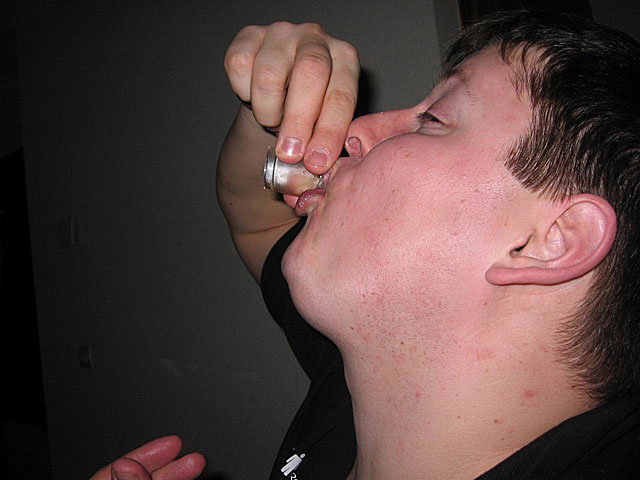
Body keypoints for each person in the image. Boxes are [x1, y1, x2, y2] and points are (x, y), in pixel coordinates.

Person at [94, 9, 640, 479]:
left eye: (433, 119)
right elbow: (256, 215)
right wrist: (281, 112)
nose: (355, 131)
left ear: (549, 242)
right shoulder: (364, 383)